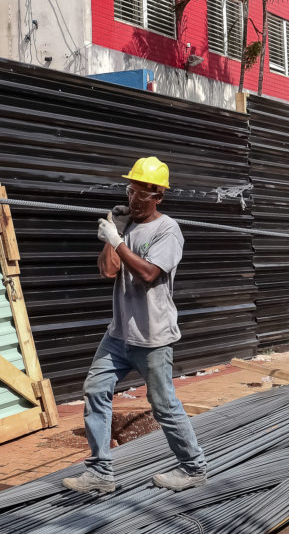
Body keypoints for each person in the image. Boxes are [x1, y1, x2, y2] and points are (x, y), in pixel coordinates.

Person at [62, 156, 208, 495]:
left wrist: (118, 241)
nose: (132, 199)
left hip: (153, 336)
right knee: (95, 390)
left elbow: (148, 274)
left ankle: (193, 467)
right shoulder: (126, 226)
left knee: (163, 405)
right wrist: (113, 234)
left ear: (158, 195)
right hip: (119, 334)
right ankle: (100, 473)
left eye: (140, 194)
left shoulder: (167, 229)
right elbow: (108, 271)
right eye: (129, 191)